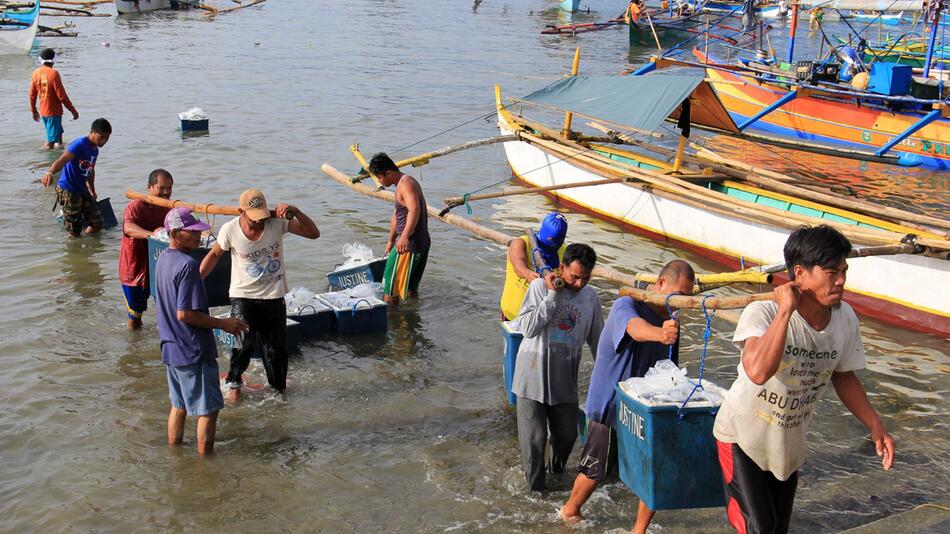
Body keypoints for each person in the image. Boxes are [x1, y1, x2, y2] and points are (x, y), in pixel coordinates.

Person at [715, 225, 895, 533]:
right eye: (831, 272)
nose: (841, 281)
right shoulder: (763, 312)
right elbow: (757, 372)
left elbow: (844, 375)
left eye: (844, 272)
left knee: (777, 528)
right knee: (759, 527)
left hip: (788, 446)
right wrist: (785, 313)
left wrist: (875, 425)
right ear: (800, 273)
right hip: (741, 437)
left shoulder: (845, 318)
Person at [560, 260, 696, 532]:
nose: (681, 303)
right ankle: (569, 510)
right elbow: (634, 329)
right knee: (594, 471)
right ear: (660, 285)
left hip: (645, 406)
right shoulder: (628, 304)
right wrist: (661, 334)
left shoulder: (671, 321)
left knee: (654, 469)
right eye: (678, 295)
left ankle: (639, 530)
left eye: (687, 298)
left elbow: (669, 370)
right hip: (610, 404)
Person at [200, 189, 319, 401]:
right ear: (241, 212)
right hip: (243, 295)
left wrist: (297, 211)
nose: (259, 222)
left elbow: (313, 234)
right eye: (254, 218)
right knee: (244, 344)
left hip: (274, 296)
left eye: (262, 217)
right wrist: (195, 281)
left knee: (276, 352)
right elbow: (214, 255)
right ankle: (234, 382)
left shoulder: (277, 223)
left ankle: (277, 390)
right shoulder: (230, 230)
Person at [155, 207, 248, 455]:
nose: (199, 237)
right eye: (192, 232)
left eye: (199, 232)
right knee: (208, 411)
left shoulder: (164, 259)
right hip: (192, 349)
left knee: (179, 404)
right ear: (175, 233)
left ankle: (175, 453)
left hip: (171, 346)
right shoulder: (188, 266)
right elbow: (185, 314)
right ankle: (205, 466)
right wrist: (223, 324)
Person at [513, 243, 605, 492]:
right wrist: (552, 296)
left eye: (585, 278)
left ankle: (556, 475)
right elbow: (527, 329)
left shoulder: (590, 298)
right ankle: (536, 492)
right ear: (562, 268)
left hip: (564, 378)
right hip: (531, 375)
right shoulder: (538, 288)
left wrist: (608, 378)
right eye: (574, 277)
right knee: (535, 440)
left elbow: (598, 340)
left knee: (566, 436)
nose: (579, 284)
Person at [368, 153, 431, 306]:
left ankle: (394, 326)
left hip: (408, 245)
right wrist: (390, 240)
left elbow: (414, 209)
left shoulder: (406, 184)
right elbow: (397, 215)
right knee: (409, 289)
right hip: (419, 243)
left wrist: (403, 237)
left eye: (379, 177)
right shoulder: (404, 183)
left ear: (388, 173)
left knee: (389, 292)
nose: (378, 181)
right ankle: (413, 323)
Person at [119, 169, 174, 330]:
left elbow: (188, 224)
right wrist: (152, 235)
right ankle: (134, 347)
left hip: (159, 267)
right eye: (162, 188)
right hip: (134, 269)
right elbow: (129, 228)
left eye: (169, 188)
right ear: (149, 187)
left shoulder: (170, 209)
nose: (166, 193)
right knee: (135, 315)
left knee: (169, 311)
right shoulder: (136, 206)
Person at [41, 118, 112, 237]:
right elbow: (61, 160)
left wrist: (92, 190)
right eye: (101, 137)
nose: (104, 141)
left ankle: (87, 250)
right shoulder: (79, 145)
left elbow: (90, 170)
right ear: (92, 132)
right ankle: (73, 247)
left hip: (82, 190)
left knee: (97, 223)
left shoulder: (95, 150)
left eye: (107, 138)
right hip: (68, 190)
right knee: (74, 231)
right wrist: (49, 173)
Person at [500, 212, 568, 321]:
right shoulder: (520, 243)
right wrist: (529, 274)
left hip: (543, 318)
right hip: (513, 315)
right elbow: (519, 266)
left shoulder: (564, 251)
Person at [29, 48, 79, 150]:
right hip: (53, 111)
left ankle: (60, 149)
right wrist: (73, 110)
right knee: (50, 142)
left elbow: (32, 94)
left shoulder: (36, 73)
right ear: (53, 59)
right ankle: (47, 163)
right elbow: (62, 96)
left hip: (44, 111)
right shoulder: (54, 73)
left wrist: (33, 110)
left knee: (59, 136)